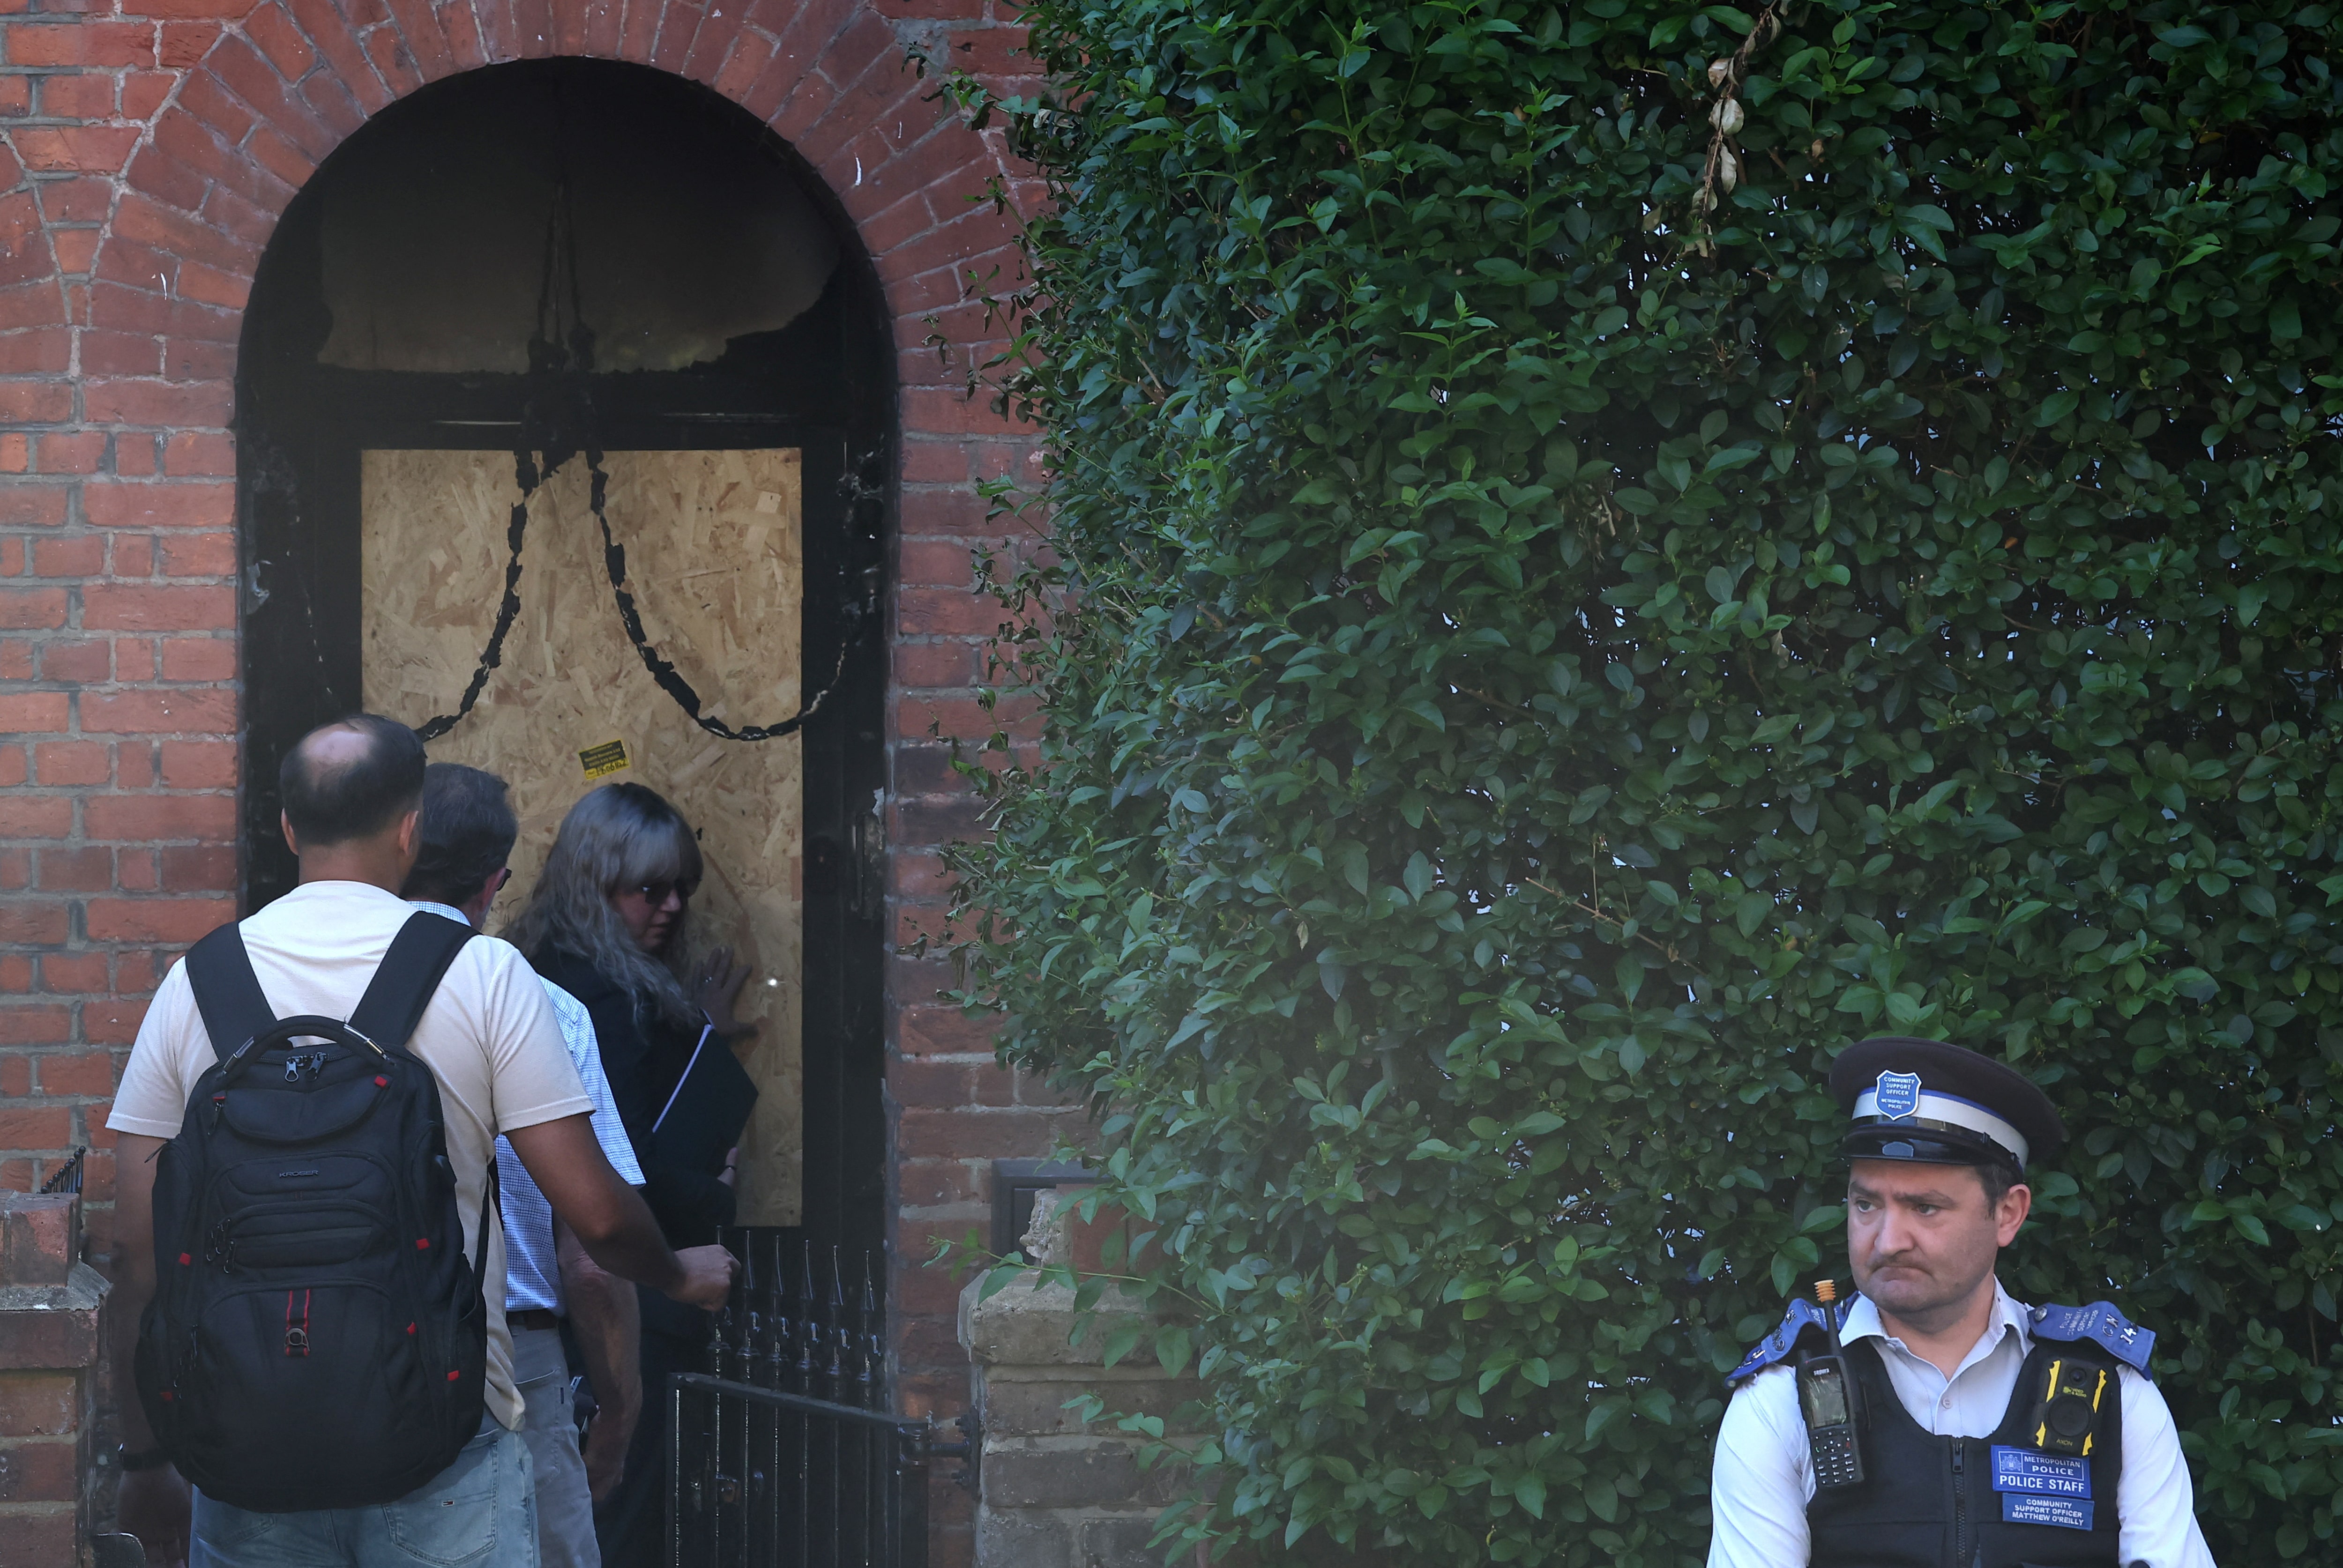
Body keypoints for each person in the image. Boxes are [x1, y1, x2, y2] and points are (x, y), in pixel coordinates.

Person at [107, 717, 739, 1568]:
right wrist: (676, 1273)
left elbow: (136, 1254)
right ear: (409, 829)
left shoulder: (196, 983)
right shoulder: (485, 976)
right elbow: (596, 1219)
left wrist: (146, 1458)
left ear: (288, 828)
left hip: (243, 1437)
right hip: (445, 1436)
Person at [1707, 1035, 2216, 1568]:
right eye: (1866, 1204)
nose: (1887, 1240)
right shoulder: (1781, 1397)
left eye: (1925, 1207)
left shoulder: (2113, 1393)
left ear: (2008, 1214)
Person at [505, 781, 756, 1568]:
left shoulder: (539, 972)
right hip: (624, 1292)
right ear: (595, 885)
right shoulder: (601, 999)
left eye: (684, 885)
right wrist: (715, 1193)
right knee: (616, 1515)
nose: (673, 905)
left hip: (566, 1299)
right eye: (650, 888)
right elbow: (623, 1164)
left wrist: (700, 1036)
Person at [401, 762, 644, 1568]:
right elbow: (594, 1259)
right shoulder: (544, 1006)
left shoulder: (289, 994)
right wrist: (619, 1408)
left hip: (322, 1353)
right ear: (494, 881)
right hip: (513, 1366)